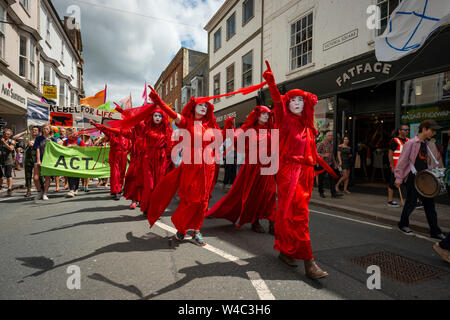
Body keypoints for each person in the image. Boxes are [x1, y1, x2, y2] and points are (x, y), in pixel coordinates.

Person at [263, 61, 338, 279]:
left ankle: (286, 251)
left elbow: (312, 154)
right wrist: (271, 83)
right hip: (289, 173)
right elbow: (277, 100)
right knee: (300, 217)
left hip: (305, 175)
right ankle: (309, 263)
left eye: (300, 99)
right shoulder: (285, 119)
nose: (296, 103)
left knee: (289, 215)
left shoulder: (308, 126)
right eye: (293, 100)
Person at [146, 87, 221, 246]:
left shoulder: (210, 125)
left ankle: (197, 230)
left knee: (203, 202)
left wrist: (227, 127)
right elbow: (173, 115)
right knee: (190, 199)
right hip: (192, 167)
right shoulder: (187, 122)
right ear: (193, 107)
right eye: (200, 104)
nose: (203, 107)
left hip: (208, 167)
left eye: (206, 105)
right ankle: (181, 226)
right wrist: (159, 102)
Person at [205, 106, 277, 234]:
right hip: (252, 167)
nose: (267, 116)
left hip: (268, 167)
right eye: (264, 114)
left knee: (270, 194)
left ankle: (273, 222)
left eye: (268, 114)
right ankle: (255, 221)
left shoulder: (271, 129)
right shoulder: (248, 129)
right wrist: (228, 126)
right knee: (253, 194)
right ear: (257, 115)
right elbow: (235, 139)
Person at [395, 120, 446, 240]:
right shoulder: (411, 143)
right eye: (432, 130)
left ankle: (435, 231)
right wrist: (398, 178)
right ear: (424, 129)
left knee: (430, 206)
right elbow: (402, 161)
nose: (433, 133)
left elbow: (425, 161)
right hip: (413, 177)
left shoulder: (426, 144)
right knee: (411, 203)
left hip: (424, 178)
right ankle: (403, 224)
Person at [90, 120, 129, 200]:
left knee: (122, 173)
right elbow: (104, 129)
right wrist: (95, 124)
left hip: (123, 155)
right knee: (115, 173)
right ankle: (116, 191)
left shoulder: (126, 133)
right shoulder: (111, 134)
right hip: (115, 155)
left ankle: (119, 188)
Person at [33, 124, 59, 200]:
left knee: (47, 177)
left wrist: (50, 143)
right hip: (39, 159)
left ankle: (45, 193)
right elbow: (37, 149)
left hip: (48, 160)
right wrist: (38, 160)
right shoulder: (39, 138)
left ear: (50, 130)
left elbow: (56, 149)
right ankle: (39, 192)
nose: (45, 130)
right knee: (36, 178)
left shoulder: (53, 139)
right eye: (44, 128)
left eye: (47, 129)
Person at [387, 125, 409, 207]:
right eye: (405, 130)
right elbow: (390, 154)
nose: (407, 131)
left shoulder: (408, 140)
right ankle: (390, 201)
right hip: (396, 166)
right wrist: (392, 166)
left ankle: (414, 201)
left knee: (409, 183)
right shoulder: (394, 140)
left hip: (406, 167)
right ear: (400, 131)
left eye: (408, 130)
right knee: (393, 183)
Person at [317, 131, 341, 198]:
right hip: (323, 164)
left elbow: (332, 155)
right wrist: (324, 155)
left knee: (332, 178)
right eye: (330, 136)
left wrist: (335, 163)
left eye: (332, 136)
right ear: (326, 136)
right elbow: (316, 153)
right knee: (321, 179)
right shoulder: (321, 144)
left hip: (330, 164)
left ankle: (333, 194)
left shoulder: (331, 144)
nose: (331, 137)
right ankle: (321, 192)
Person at [63, 128, 85, 197]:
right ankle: (71, 189)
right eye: (66, 134)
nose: (66, 135)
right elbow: (62, 149)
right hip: (69, 160)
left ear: (72, 133)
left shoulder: (79, 140)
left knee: (76, 175)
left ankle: (75, 189)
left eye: (68, 134)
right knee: (70, 175)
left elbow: (85, 149)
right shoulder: (66, 141)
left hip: (77, 160)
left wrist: (75, 146)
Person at [23, 126, 42, 197]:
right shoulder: (27, 137)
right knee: (28, 175)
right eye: (33, 130)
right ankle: (28, 190)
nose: (34, 131)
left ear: (39, 132)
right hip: (28, 158)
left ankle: (41, 189)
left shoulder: (40, 139)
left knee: (39, 175)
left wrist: (34, 145)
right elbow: (15, 138)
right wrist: (25, 133)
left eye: (35, 130)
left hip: (36, 158)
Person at [0, 128, 17, 196]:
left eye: (8, 134)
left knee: (8, 175)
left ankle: (9, 188)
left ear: (10, 135)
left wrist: (4, 142)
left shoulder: (12, 141)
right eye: (5, 134)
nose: (6, 135)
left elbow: (11, 148)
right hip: (0, 159)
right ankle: (0, 186)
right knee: (0, 175)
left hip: (8, 160)